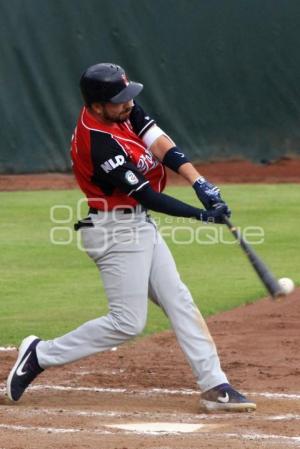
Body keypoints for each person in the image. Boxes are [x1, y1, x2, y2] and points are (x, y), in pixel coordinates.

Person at [6, 63, 256, 412]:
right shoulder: (97, 142)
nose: (128, 105)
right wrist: (202, 215)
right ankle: (40, 354)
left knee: (178, 300)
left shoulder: (119, 108)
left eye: (128, 98)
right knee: (127, 322)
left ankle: (215, 384)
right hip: (114, 232)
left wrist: (199, 182)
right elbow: (147, 197)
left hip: (138, 226)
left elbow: (158, 141)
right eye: (119, 101)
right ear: (96, 106)